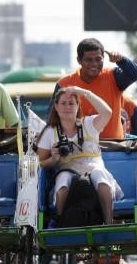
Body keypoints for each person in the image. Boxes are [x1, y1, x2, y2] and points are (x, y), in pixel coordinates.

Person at [37, 87, 121, 225]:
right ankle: (61, 222)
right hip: (67, 170)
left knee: (100, 176)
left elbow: (107, 112)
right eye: (63, 103)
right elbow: (39, 163)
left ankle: (109, 222)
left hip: (93, 168)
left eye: (71, 103)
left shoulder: (88, 123)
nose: (67, 107)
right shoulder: (50, 132)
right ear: (56, 107)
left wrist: (84, 92)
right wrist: (53, 159)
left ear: (78, 106)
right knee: (63, 180)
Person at [55, 38, 137, 139]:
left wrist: (121, 60)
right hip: (79, 149)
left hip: (113, 147)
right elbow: (53, 117)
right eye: (88, 60)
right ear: (79, 60)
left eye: (98, 59)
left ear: (103, 58)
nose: (94, 64)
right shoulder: (64, 84)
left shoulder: (113, 76)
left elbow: (135, 74)